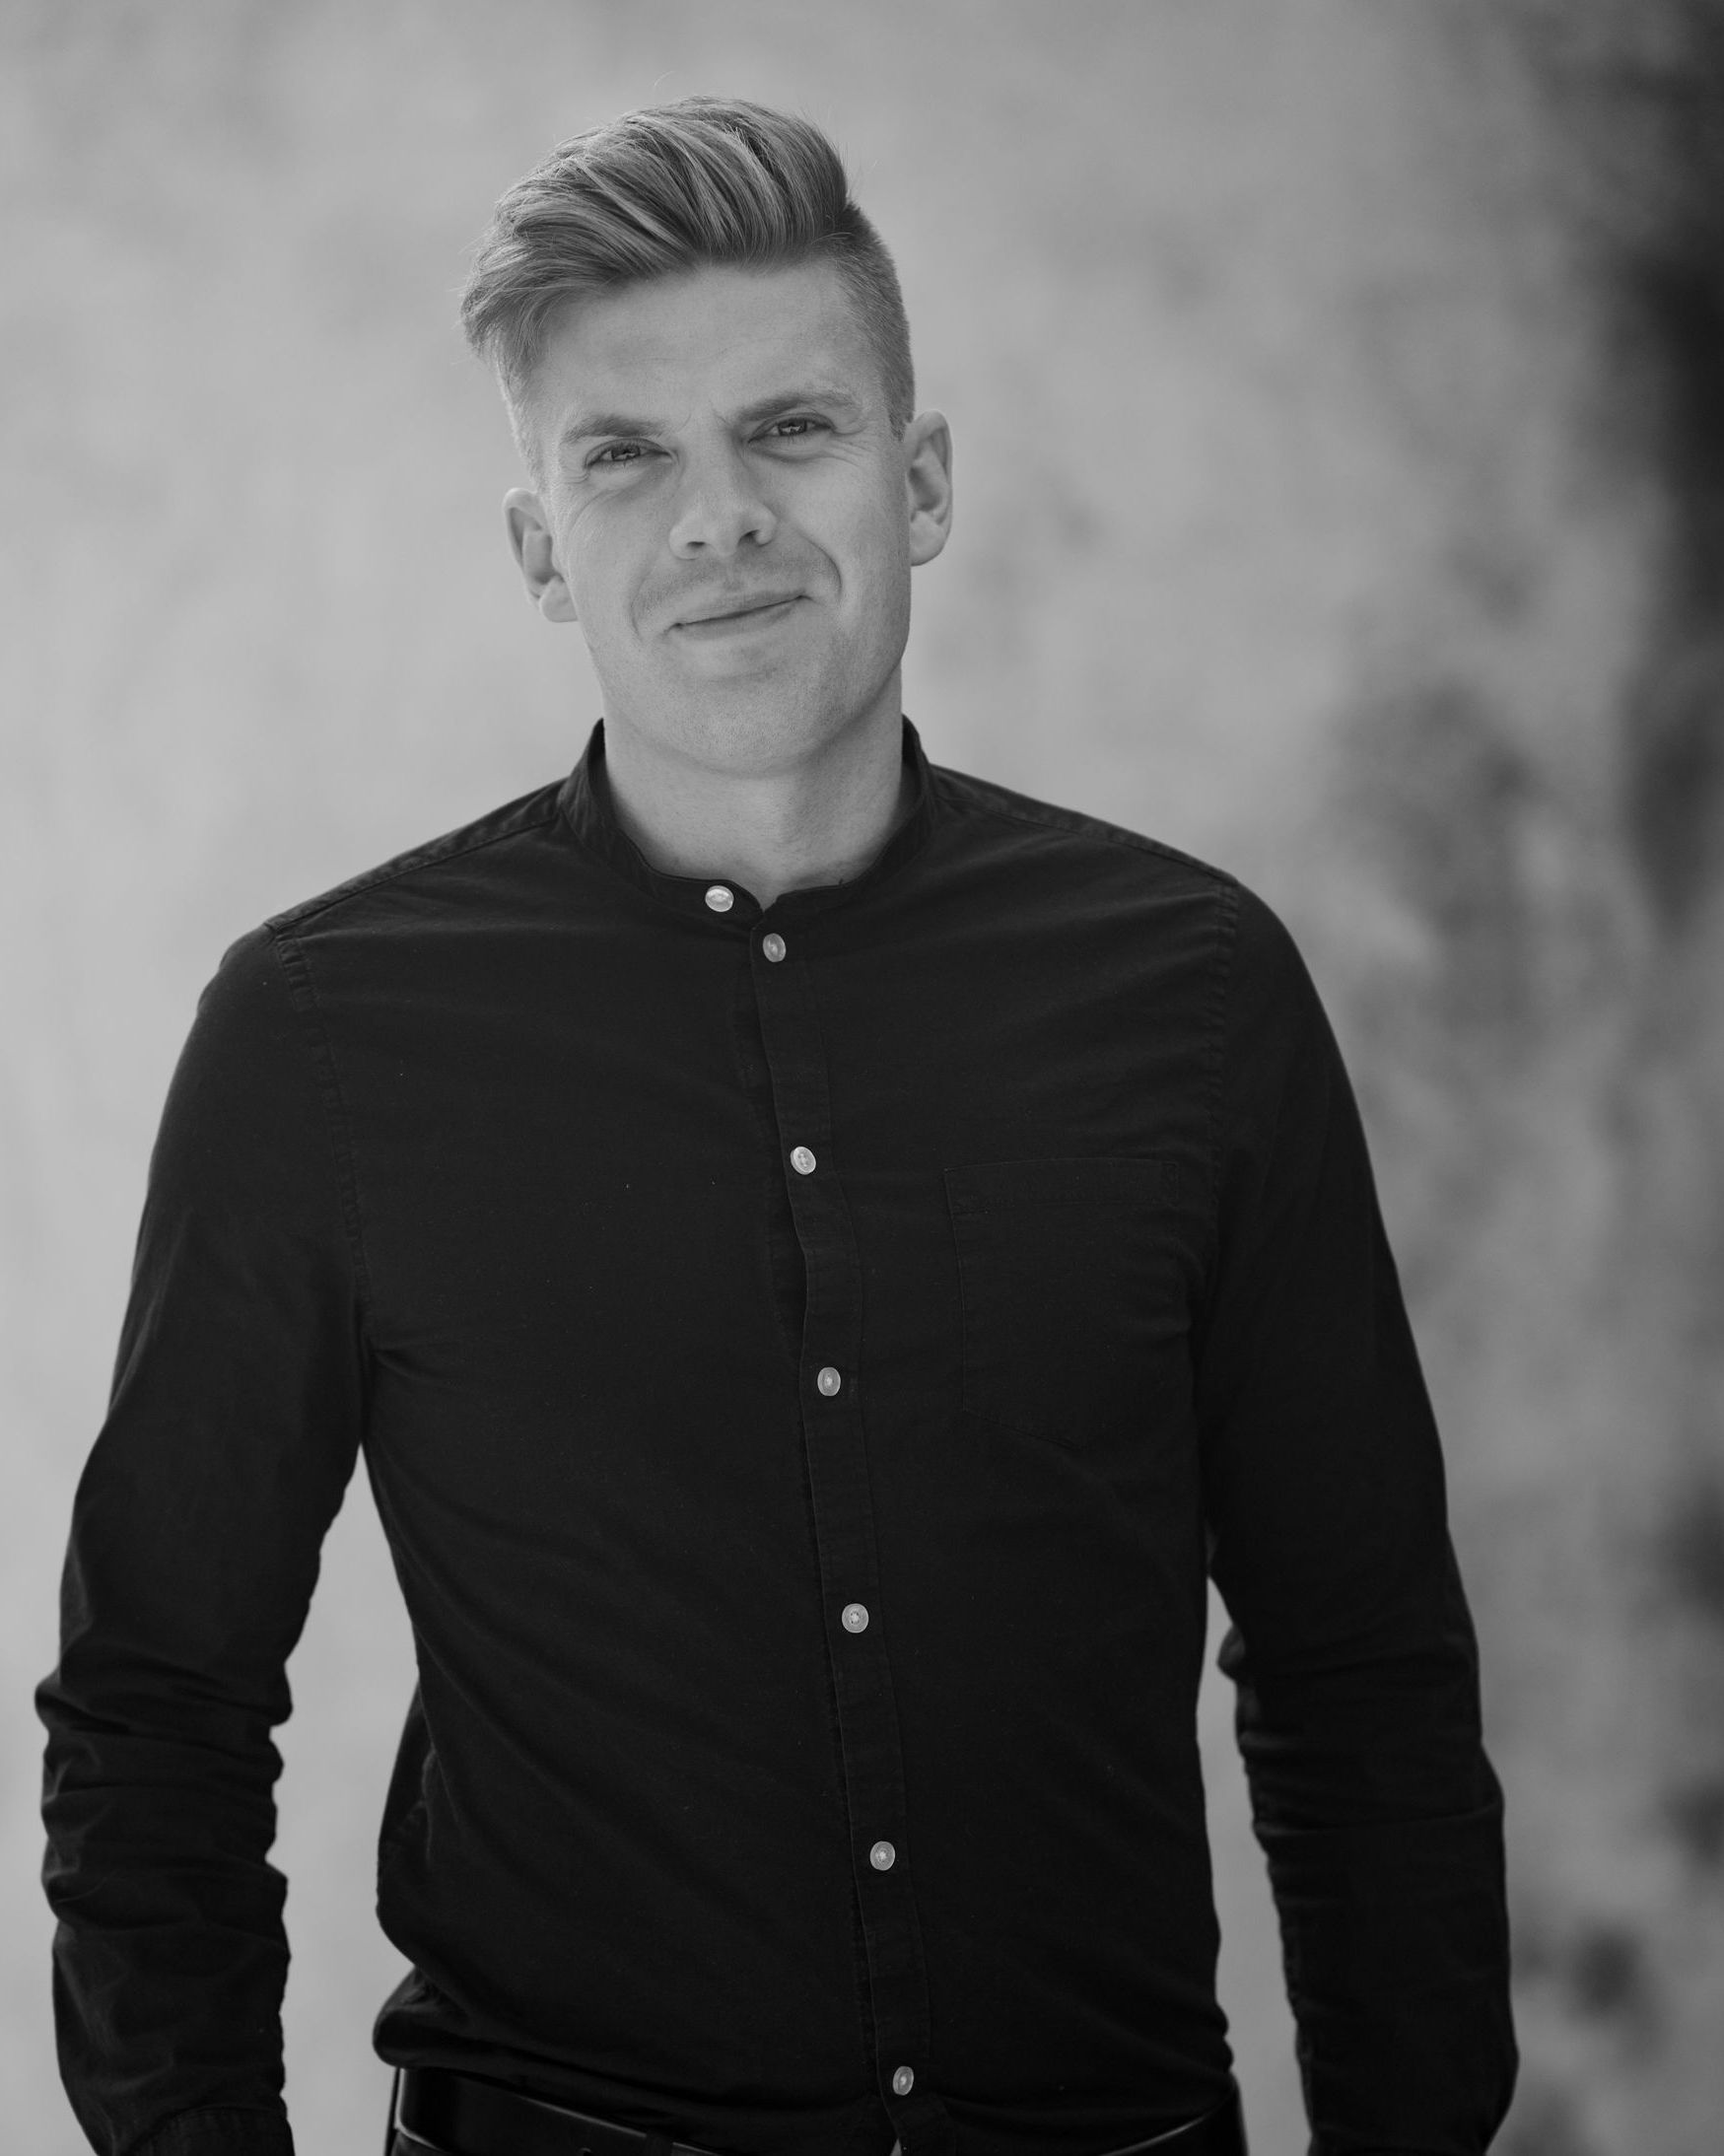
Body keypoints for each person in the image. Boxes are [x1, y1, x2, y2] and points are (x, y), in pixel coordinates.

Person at [37, 97, 1517, 2156]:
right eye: (624, 457)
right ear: (539, 548)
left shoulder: (1196, 992)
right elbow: (157, 1714)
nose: (716, 517)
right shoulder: (319, 1037)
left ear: (920, 480)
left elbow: (1359, 1669)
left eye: (790, 429)